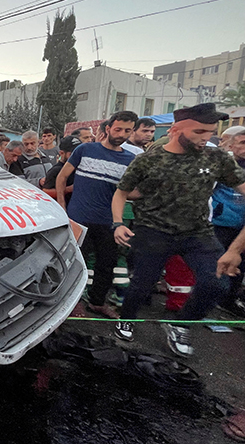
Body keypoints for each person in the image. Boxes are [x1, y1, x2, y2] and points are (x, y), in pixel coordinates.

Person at [112, 104, 245, 357]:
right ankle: (126, 318)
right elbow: (122, 191)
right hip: (153, 230)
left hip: (197, 232)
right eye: (200, 131)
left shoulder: (216, 158)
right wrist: (118, 223)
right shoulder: (150, 159)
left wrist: (236, 249)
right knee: (142, 283)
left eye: (211, 131)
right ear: (175, 130)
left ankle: (180, 324)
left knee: (218, 284)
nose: (207, 137)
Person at [56, 111, 138, 319]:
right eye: (118, 129)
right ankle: (71, 304)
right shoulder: (85, 149)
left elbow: (132, 192)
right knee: (73, 263)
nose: (121, 134)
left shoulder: (131, 160)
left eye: (127, 130)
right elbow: (62, 177)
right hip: (78, 219)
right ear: (108, 128)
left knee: (106, 264)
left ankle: (97, 302)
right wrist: (61, 206)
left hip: (109, 222)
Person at [210, 129, 245, 316]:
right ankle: (208, 299)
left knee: (239, 267)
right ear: (231, 146)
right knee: (215, 263)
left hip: (242, 227)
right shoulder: (221, 166)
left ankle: (228, 301)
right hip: (220, 222)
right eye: (242, 143)